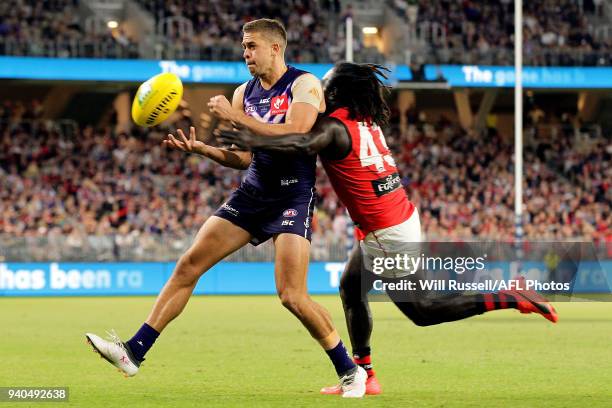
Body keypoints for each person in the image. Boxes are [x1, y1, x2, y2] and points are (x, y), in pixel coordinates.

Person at [219, 62, 559, 396]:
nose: (317, 91)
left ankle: (511, 295)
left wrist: (248, 132)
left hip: (387, 232)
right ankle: (363, 372)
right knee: (351, 288)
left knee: (423, 311)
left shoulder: (336, 128)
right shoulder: (363, 121)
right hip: (394, 220)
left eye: (324, 86)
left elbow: (299, 143)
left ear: (338, 93)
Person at [85, 19, 367, 398]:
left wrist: (236, 118)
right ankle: (134, 351)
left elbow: (300, 136)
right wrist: (204, 150)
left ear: (275, 48)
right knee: (188, 265)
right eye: (244, 46)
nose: (245, 53)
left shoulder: (304, 84)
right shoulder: (244, 93)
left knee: (291, 295)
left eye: (252, 46)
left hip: (292, 197)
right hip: (251, 195)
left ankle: (350, 372)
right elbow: (244, 156)